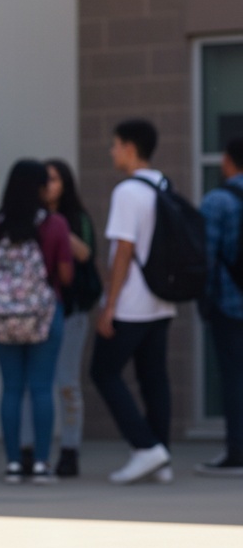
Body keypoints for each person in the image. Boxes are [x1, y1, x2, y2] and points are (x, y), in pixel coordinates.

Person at [89, 119, 177, 485]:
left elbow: (123, 251)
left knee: (103, 371)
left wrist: (109, 304)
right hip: (162, 300)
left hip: (132, 302)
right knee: (153, 376)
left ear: (129, 147)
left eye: (114, 144)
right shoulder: (164, 184)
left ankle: (145, 448)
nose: (111, 152)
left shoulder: (127, 191)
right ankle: (161, 456)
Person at [0, 160, 73, 484]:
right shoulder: (55, 224)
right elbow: (66, 275)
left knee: (12, 389)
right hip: (43, 314)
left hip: (3, 317)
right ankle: (42, 464)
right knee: (42, 387)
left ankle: (14, 463)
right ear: (41, 188)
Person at [18, 159, 102, 478]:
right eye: (45, 179)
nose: (49, 185)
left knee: (67, 383)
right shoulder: (26, 217)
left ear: (65, 183)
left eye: (55, 179)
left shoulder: (74, 219)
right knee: (30, 385)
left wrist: (56, 226)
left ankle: (70, 450)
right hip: (31, 314)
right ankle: (28, 450)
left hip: (70, 311)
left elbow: (85, 255)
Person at [197, 137, 243, 477]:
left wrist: (205, 300)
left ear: (227, 161)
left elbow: (206, 257)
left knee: (233, 378)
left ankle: (237, 450)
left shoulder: (218, 201)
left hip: (231, 302)